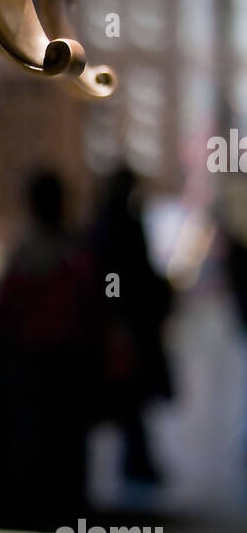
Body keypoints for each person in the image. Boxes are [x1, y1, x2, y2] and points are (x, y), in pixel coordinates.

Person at [0, 170, 99, 527]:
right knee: (67, 439)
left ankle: (32, 511)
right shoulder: (76, 253)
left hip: (33, 359)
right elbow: (90, 307)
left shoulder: (25, 255)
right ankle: (67, 512)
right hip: (68, 359)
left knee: (34, 436)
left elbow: (6, 307)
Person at [90, 166, 173, 485]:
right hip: (126, 324)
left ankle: (136, 460)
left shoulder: (105, 224)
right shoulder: (121, 225)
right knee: (131, 400)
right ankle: (136, 460)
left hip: (123, 322)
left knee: (130, 400)